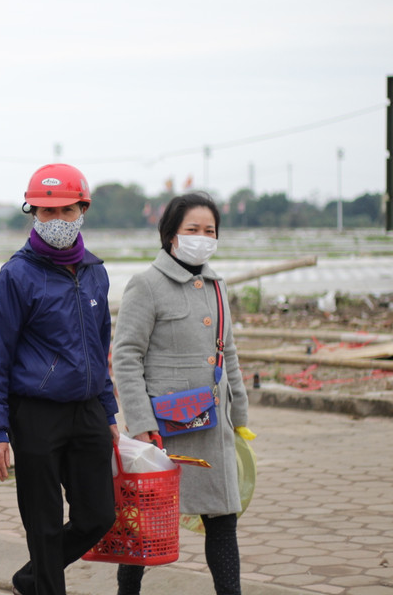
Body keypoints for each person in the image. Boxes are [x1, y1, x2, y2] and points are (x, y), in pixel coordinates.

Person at [0, 163, 118, 595]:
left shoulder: (96, 272)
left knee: (99, 516)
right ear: (32, 213)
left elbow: (101, 347)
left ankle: (32, 577)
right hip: (35, 413)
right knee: (43, 522)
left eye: (64, 211)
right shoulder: (16, 275)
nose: (55, 221)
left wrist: (110, 410)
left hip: (88, 409)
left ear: (83, 210)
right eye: (45, 212)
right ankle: (45, 584)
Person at [112, 192, 251, 595]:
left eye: (210, 230)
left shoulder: (217, 285)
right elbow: (125, 358)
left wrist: (239, 418)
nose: (202, 237)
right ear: (171, 234)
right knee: (147, 525)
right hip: (163, 433)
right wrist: (139, 425)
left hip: (214, 429)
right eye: (193, 229)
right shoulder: (147, 285)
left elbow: (231, 354)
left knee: (223, 521)